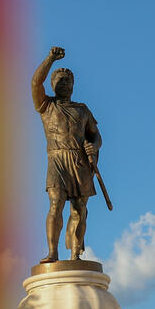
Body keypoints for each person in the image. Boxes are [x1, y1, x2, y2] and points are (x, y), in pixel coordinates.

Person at [32, 46, 102, 263]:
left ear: (73, 85)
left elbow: (96, 136)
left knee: (79, 209)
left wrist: (94, 146)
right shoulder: (46, 105)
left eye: (67, 80)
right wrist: (50, 59)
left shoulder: (82, 109)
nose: (63, 84)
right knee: (55, 204)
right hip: (57, 159)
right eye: (59, 80)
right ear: (52, 85)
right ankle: (52, 252)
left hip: (79, 162)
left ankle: (74, 254)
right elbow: (35, 83)